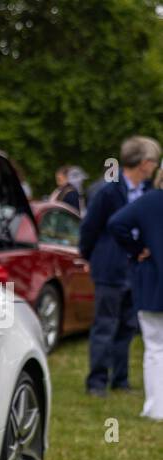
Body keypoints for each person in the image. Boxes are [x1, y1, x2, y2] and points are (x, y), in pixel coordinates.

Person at [78, 136, 160, 396]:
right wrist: (89, 258)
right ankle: (97, 382)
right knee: (105, 325)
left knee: (127, 326)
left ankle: (120, 380)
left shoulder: (148, 191)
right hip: (110, 268)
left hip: (135, 269)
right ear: (144, 163)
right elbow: (90, 229)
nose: (155, 167)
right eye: (154, 161)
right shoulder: (108, 190)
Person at [107, 167, 163, 420]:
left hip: (152, 282)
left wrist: (137, 248)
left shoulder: (149, 201)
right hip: (151, 281)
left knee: (155, 349)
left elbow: (116, 223)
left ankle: (156, 408)